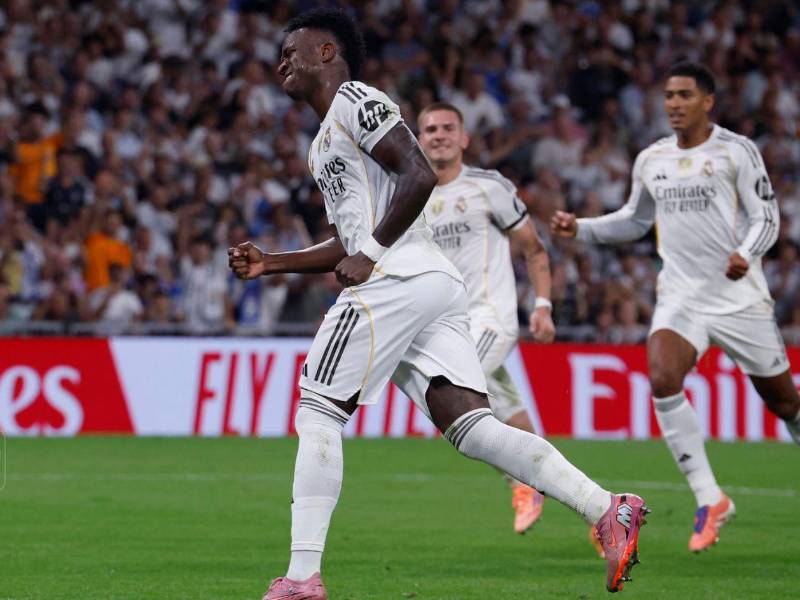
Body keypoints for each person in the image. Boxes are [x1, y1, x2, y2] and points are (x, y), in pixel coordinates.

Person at [229, 9, 648, 599]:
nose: (281, 64)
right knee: (473, 429)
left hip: (399, 276)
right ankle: (607, 507)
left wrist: (372, 253)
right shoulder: (322, 142)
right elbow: (349, 241)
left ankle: (301, 578)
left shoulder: (354, 99)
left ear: (328, 52)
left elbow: (418, 173)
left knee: (318, 409)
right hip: (430, 283)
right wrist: (273, 262)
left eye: (292, 51)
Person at [551, 61, 800, 554]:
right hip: (681, 297)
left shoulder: (736, 151)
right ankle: (711, 499)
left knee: (784, 402)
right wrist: (583, 227)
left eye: (685, 95)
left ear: (708, 101)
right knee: (662, 378)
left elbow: (766, 218)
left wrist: (746, 254)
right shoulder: (652, 159)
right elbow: (634, 221)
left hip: (739, 298)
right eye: (669, 95)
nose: (674, 104)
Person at [417, 102, 556, 535]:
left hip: (490, 316)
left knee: (456, 397)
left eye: (447, 128)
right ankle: (587, 503)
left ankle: (522, 483)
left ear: (463, 139)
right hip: (446, 325)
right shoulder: (411, 197)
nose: (438, 135)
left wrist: (542, 306)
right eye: (429, 129)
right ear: (419, 140)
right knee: (502, 404)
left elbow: (534, 248)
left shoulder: (488, 187)